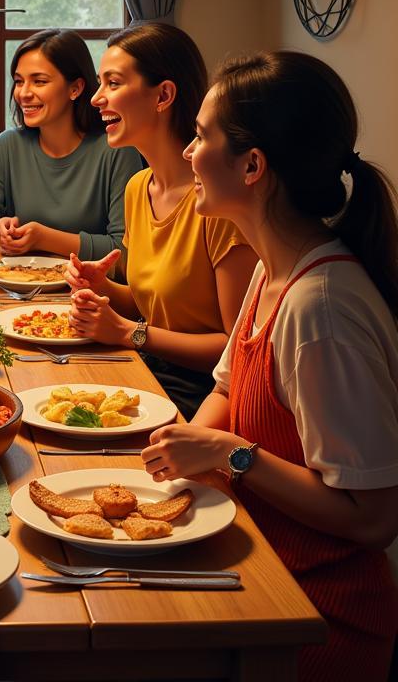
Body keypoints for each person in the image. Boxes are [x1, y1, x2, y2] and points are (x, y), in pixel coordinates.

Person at [140, 52, 398, 679]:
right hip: (256, 567)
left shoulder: (322, 310)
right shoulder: (274, 268)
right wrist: (176, 465)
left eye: (201, 136)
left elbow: (373, 518)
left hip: (313, 618)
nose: (189, 154)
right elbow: (226, 390)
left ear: (253, 166)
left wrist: (232, 455)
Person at [67, 23, 257, 418]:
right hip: (144, 371)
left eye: (113, 83)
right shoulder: (139, 187)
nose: (98, 98)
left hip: (201, 397)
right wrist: (102, 287)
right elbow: (151, 306)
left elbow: (235, 350)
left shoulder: (219, 204)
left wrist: (126, 332)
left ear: (164, 95)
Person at [0, 29, 142, 260]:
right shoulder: (9, 145)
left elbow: (125, 252)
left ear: (76, 88)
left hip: (86, 292)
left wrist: (44, 238)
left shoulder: (117, 149)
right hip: (14, 287)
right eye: (19, 81)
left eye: (39, 81)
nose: (23, 93)